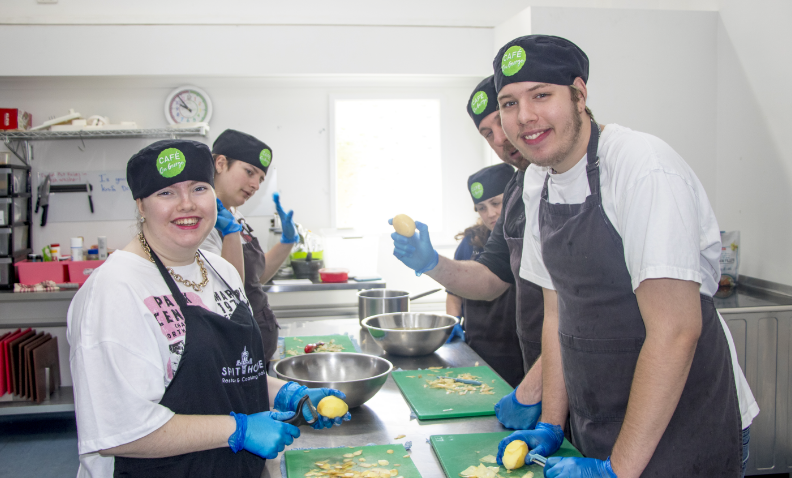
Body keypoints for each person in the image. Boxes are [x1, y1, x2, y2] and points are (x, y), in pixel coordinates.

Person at [491, 35, 758, 477]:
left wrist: (617, 471)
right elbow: (560, 316)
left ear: (579, 94)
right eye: (509, 102)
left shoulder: (642, 167)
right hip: (607, 421)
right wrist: (552, 424)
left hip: (688, 419)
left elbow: (676, 330)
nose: (525, 117)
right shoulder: (538, 182)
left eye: (541, 95)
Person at [67, 139, 349, 478]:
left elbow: (227, 377)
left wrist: (287, 393)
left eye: (199, 188)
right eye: (166, 193)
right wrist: (238, 430)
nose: (187, 205)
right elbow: (120, 431)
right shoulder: (115, 290)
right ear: (141, 205)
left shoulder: (222, 271)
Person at [390, 76, 544, 430]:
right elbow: (491, 278)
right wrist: (431, 263)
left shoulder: (627, 167)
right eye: (488, 133)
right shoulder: (523, 192)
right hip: (541, 366)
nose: (501, 138)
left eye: (504, 119)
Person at [200, 129, 298, 362]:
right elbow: (228, 290)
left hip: (255, 347)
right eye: (249, 172)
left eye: (261, 179)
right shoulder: (201, 222)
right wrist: (230, 235)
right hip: (231, 348)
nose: (255, 185)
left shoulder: (235, 216)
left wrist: (287, 242)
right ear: (221, 163)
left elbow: (256, 278)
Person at [446, 162, 524, 387]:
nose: (490, 214)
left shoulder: (529, 239)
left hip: (519, 352)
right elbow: (454, 292)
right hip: (478, 349)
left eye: (496, 203)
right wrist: (453, 323)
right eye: (481, 207)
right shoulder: (471, 242)